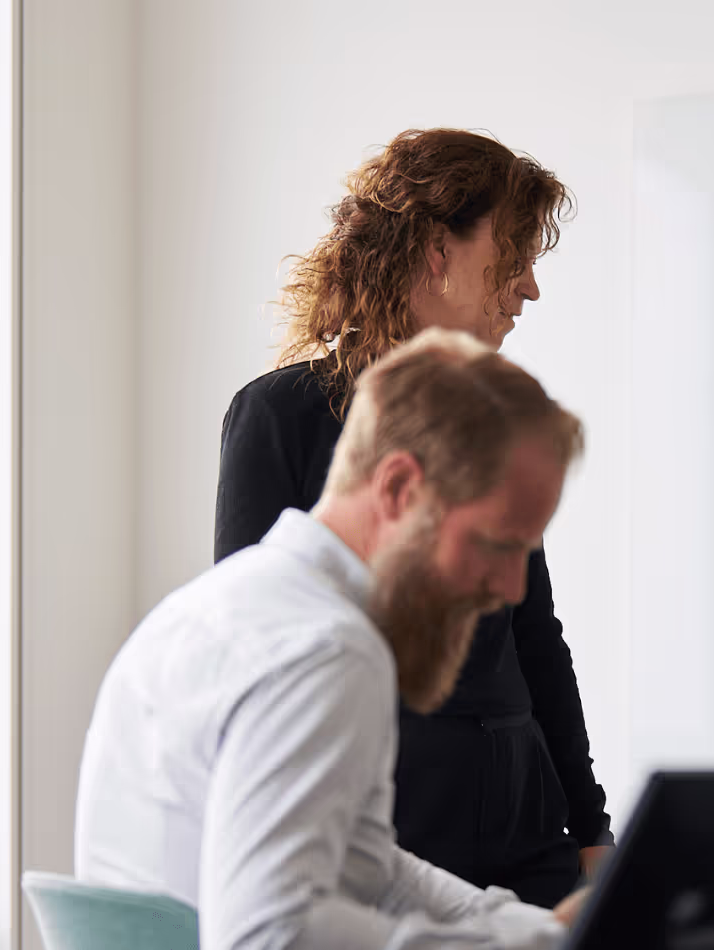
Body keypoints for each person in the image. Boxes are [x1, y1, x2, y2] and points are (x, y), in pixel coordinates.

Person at [76, 329, 587, 950]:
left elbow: (367, 865)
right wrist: (509, 945)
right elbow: (269, 936)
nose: (511, 588)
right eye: (497, 544)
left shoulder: (219, 609)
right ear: (398, 489)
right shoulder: (327, 650)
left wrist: (532, 927)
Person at [214, 128, 611, 907]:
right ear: (437, 251)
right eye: (514, 253)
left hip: (528, 828)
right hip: (387, 834)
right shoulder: (279, 416)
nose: (530, 287)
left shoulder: (496, 418)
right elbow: (254, 649)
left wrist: (591, 828)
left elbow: (534, 634)